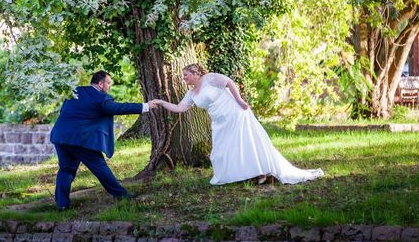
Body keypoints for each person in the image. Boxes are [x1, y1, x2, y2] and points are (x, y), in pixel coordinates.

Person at [152, 63, 323, 185]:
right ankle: (237, 174)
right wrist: (160, 102)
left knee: (247, 142)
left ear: (196, 73)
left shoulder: (209, 78)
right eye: (183, 76)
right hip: (219, 121)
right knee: (221, 151)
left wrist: (239, 100)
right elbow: (179, 108)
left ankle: (261, 173)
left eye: (186, 75)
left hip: (234, 113)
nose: (184, 79)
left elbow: (228, 82)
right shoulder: (191, 93)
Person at [50, 70, 157, 210]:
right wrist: (145, 106)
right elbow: (118, 108)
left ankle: (62, 205)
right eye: (108, 83)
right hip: (80, 139)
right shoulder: (101, 98)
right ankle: (121, 196)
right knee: (100, 167)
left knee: (66, 169)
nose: (109, 86)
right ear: (100, 84)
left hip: (60, 136)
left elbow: (65, 111)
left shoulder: (76, 91)